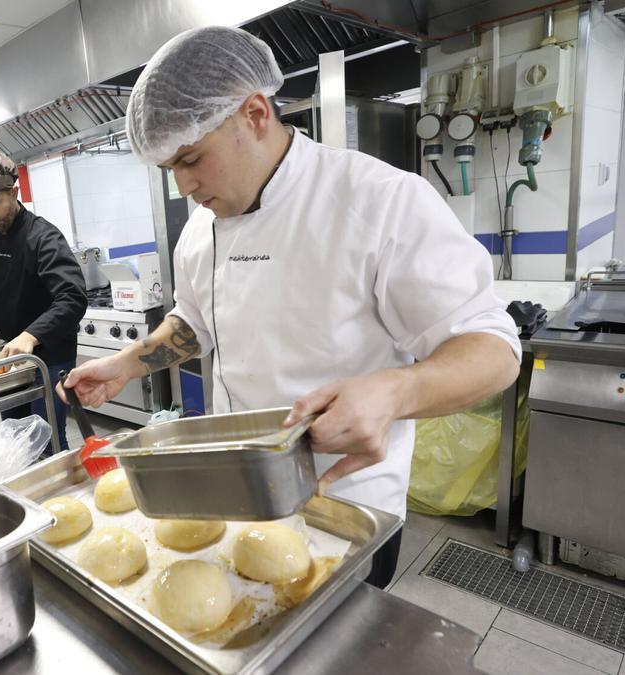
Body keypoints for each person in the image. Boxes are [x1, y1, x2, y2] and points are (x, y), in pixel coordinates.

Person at [62, 26, 521, 589]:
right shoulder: (200, 231)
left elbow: (493, 349)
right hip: (233, 491)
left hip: (341, 504)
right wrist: (126, 363)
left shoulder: (377, 200)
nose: (183, 185)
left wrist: (395, 391)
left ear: (255, 114)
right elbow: (196, 323)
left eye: (191, 158)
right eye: (168, 170)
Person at [0, 152, 87, 456]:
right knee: (14, 436)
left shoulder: (42, 236)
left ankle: (57, 497)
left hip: (50, 354)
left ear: (13, 192)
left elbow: (72, 298)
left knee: (46, 437)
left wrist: (30, 335)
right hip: (9, 353)